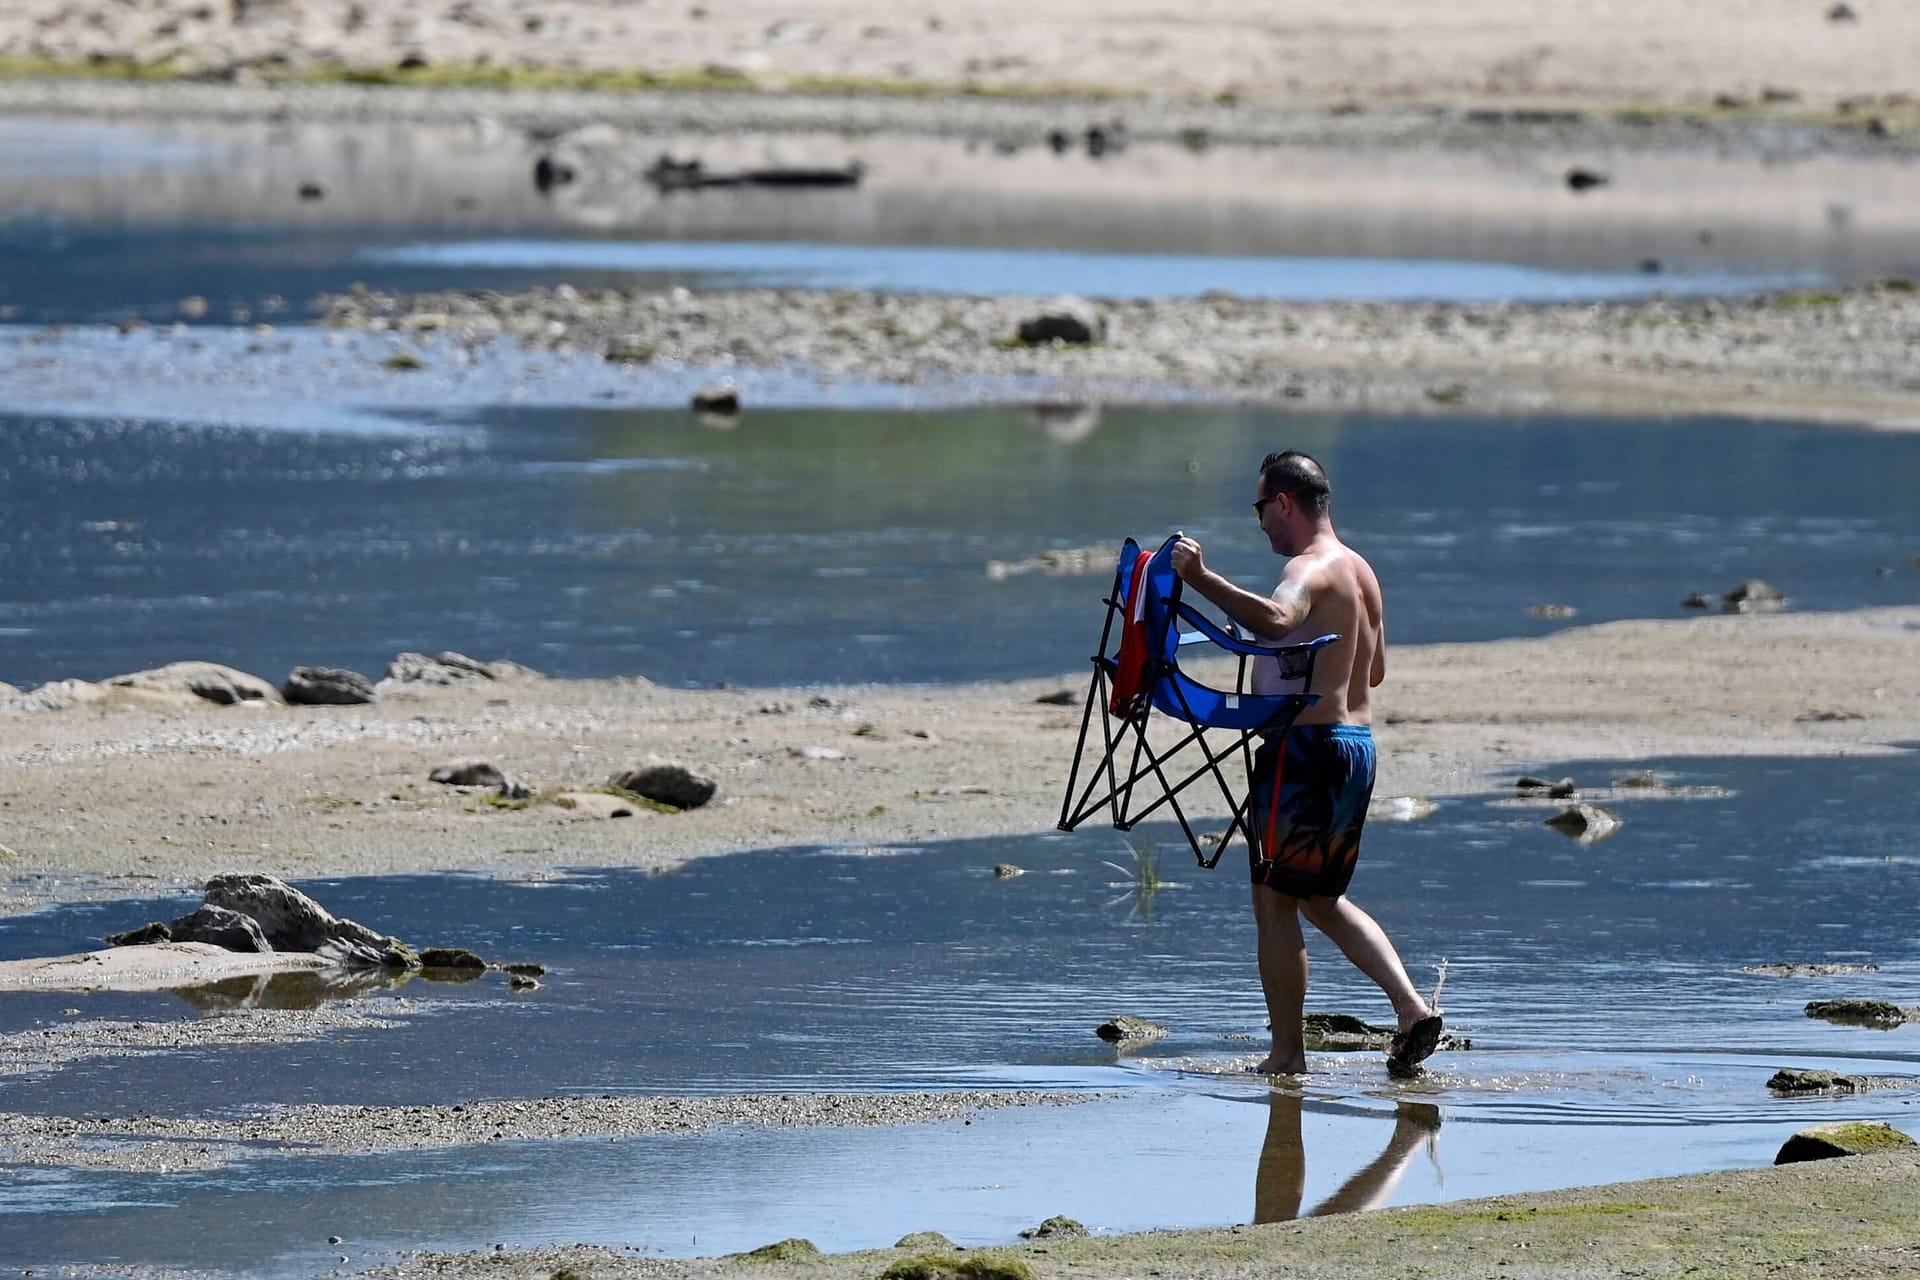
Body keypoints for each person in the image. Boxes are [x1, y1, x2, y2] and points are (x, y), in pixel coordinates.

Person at [1170, 450, 1442, 1077]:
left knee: (1273, 900)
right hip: (1356, 751)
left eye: (1260, 508)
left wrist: (1201, 578)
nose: (1260, 522)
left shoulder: (1310, 567)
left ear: (1286, 502)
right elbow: (1373, 670)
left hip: (1305, 751)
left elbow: (1276, 617)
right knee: (1322, 897)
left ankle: (1286, 1056)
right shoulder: (1360, 571)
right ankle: (1410, 1009)